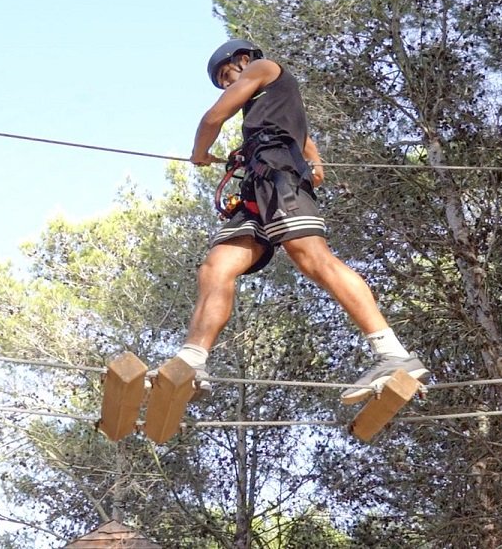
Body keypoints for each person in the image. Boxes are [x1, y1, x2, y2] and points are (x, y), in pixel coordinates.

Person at [165, 39, 427, 404]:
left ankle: (393, 355)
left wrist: (199, 154)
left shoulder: (263, 68)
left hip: (278, 179)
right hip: (258, 184)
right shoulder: (275, 102)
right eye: (223, 81)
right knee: (216, 266)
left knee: (312, 258)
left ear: (244, 60)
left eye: (228, 76)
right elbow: (306, 142)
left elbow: (213, 117)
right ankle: (192, 361)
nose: (228, 85)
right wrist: (313, 163)